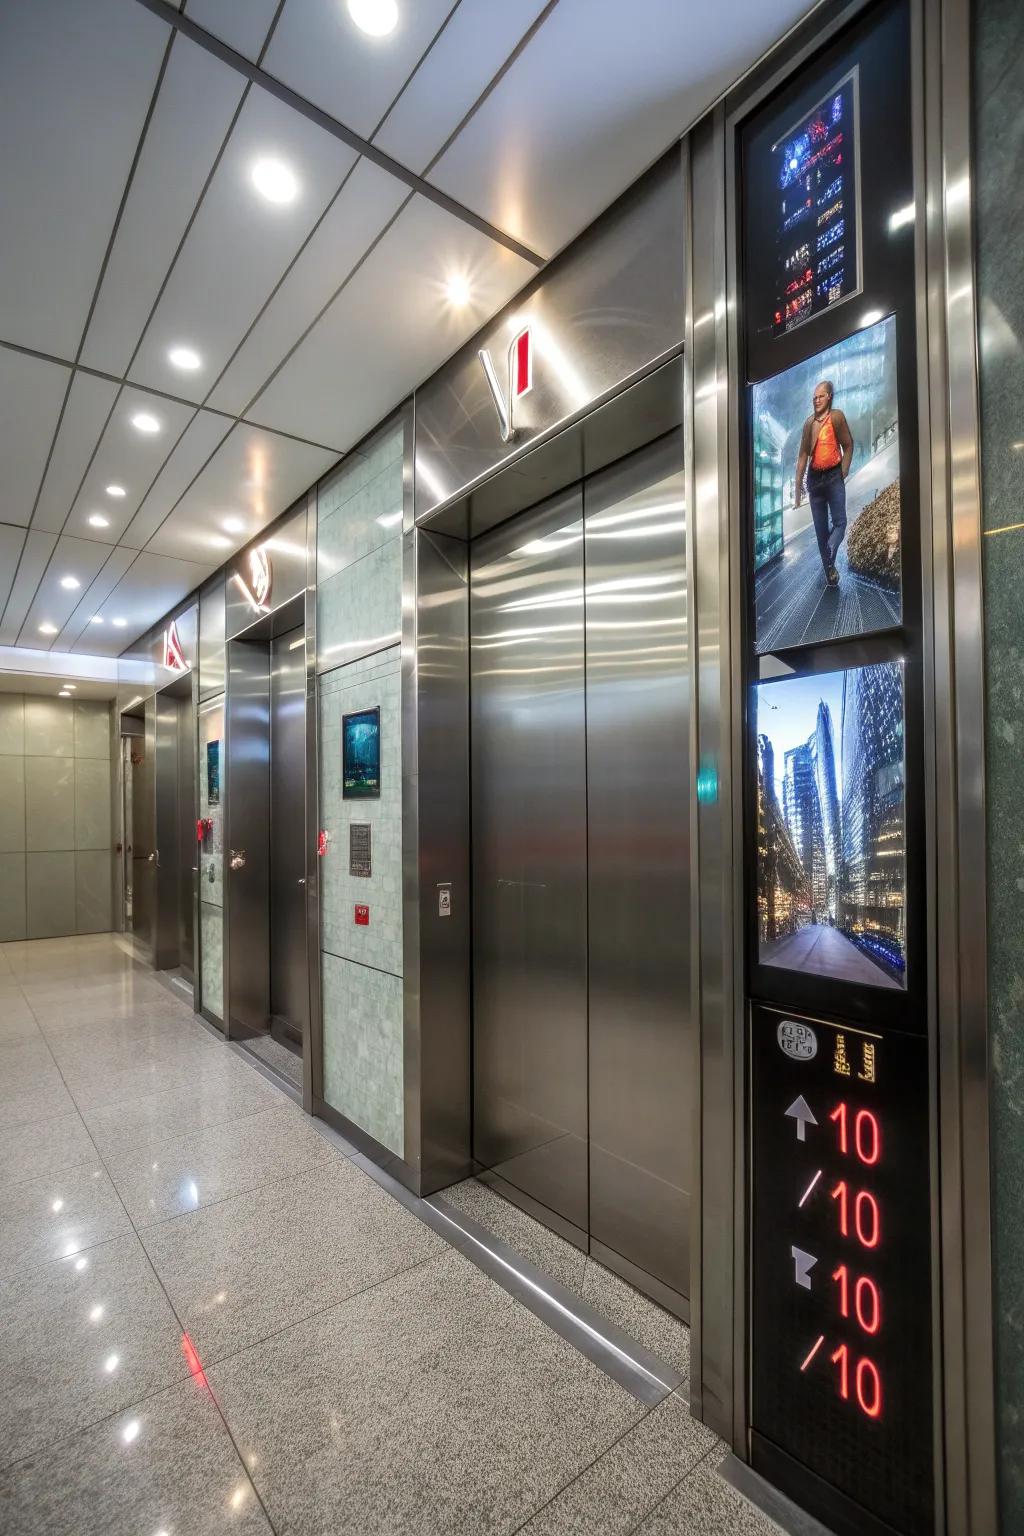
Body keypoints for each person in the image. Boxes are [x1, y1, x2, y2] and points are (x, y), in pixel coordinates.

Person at [794, 379, 854, 587]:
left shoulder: (836, 417)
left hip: (834, 476)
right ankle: (830, 571)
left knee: (840, 522)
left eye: (820, 396)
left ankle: (829, 553)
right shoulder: (809, 423)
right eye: (814, 397)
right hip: (814, 479)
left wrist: (843, 471)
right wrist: (797, 491)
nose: (816, 400)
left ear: (829, 396)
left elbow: (848, 445)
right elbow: (802, 456)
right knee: (820, 530)